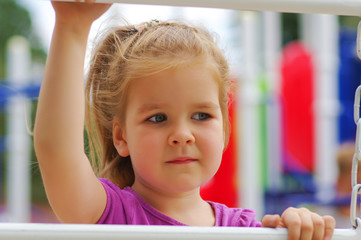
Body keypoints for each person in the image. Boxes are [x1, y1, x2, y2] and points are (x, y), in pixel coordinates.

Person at [33, 1, 335, 239]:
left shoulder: (243, 229)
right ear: (121, 137)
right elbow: (58, 153)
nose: (182, 135)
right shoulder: (109, 214)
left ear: (225, 129)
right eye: (158, 118)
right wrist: (72, 28)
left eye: (201, 116)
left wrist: (300, 228)